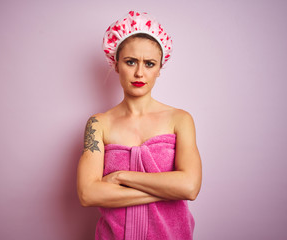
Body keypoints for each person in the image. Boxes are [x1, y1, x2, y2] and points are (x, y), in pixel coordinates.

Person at [77, 11, 202, 240]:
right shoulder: (98, 124)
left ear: (159, 69)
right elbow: (88, 193)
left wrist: (121, 177)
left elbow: (190, 187)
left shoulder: (180, 119)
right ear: (116, 65)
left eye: (149, 63)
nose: (139, 73)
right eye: (130, 61)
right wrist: (167, 189)